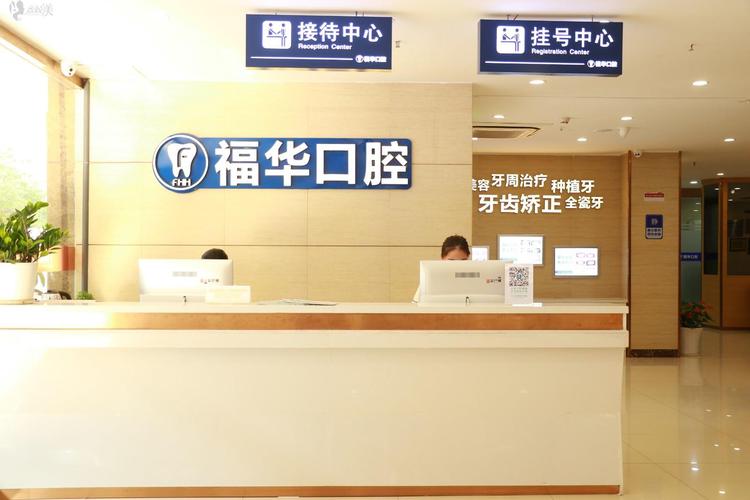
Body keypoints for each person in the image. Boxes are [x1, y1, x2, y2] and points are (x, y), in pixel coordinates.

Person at [413, 235, 471, 302]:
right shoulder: (430, 279)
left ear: (468, 257)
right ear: (442, 258)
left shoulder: (475, 279)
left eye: (463, 261)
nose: (457, 266)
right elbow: (415, 305)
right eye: (452, 261)